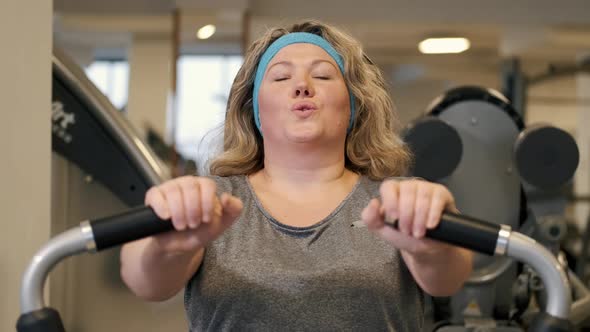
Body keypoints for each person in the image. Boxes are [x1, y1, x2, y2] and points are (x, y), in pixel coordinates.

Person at [120, 20, 473, 331]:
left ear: (353, 106)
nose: (302, 86)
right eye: (281, 77)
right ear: (255, 108)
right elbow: (146, 283)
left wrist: (432, 248)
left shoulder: (399, 202)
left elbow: (449, 279)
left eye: (322, 75)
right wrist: (164, 248)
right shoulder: (212, 202)